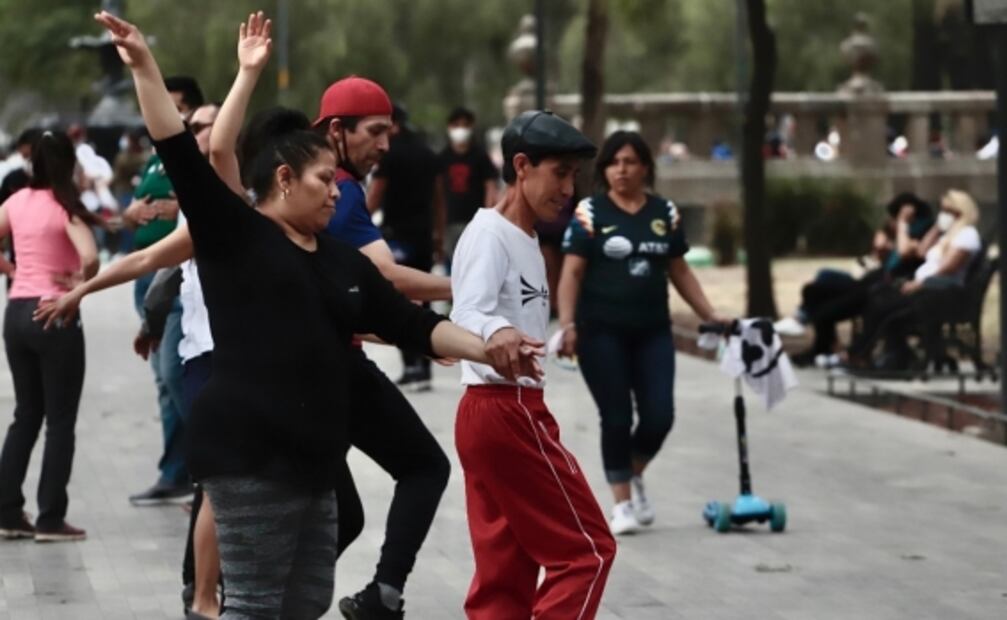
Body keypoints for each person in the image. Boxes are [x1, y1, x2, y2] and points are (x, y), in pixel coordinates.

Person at [91, 11, 541, 618]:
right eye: (325, 179)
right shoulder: (236, 236)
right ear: (284, 179)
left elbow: (414, 324)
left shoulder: (341, 262)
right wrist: (148, 65)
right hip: (250, 458)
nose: (338, 191)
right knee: (252, 605)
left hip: (314, 464)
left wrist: (490, 348)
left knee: (306, 603)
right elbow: (180, 146)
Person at [451, 110, 617, 619]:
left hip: (497, 412)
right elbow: (468, 309)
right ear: (521, 166)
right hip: (505, 411)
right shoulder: (489, 233)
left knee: (506, 575)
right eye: (559, 173)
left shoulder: (526, 240)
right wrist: (496, 331)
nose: (569, 188)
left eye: (574, 176)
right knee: (587, 551)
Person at [557, 130, 725, 536]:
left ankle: (630, 472)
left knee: (659, 416)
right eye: (614, 163)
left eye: (630, 162)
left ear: (646, 167)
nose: (622, 170)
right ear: (604, 170)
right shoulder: (589, 212)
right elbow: (572, 274)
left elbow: (680, 271)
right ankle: (623, 505)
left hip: (652, 331)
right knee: (615, 417)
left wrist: (711, 315)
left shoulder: (664, 213)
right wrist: (567, 325)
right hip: (600, 333)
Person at [0, 130, 99, 542]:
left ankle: (6, 510)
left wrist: (13, 273)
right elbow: (92, 257)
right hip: (55, 314)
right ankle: (50, 517)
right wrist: (79, 281)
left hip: (17, 311)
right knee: (60, 420)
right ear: (68, 163)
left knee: (26, 414)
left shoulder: (16, 200)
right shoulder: (66, 206)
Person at [122, 77, 207, 506]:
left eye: (172, 106)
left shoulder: (192, 156)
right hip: (149, 277)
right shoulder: (155, 160)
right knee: (164, 380)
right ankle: (176, 470)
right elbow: (129, 213)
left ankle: (201, 467)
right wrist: (134, 211)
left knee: (176, 374)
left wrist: (175, 208)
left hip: (174, 275)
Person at [778, 192, 934, 368]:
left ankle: (817, 340)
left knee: (824, 310)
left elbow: (906, 252)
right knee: (814, 288)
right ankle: (802, 320)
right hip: (871, 278)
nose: (894, 220)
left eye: (896, 216)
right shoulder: (898, 230)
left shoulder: (921, 231)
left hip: (880, 287)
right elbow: (883, 253)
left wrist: (902, 223)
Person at [847, 189, 982, 370]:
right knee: (877, 295)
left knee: (882, 304)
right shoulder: (948, 235)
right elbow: (921, 251)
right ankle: (891, 354)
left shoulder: (967, 235)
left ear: (960, 212)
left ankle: (860, 353)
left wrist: (921, 283)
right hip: (926, 289)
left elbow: (949, 268)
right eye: (942, 211)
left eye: (948, 212)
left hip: (936, 293)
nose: (944, 215)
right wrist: (937, 228)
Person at [366, 103, 445, 391]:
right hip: (423, 233)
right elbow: (439, 198)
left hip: (396, 236)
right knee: (423, 296)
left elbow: (375, 195)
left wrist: (356, 221)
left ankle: (412, 363)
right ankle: (426, 363)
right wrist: (438, 234)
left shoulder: (388, 154)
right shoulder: (427, 153)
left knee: (399, 298)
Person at [440, 107, 498, 272]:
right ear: (449, 127)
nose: (461, 129)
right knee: (452, 269)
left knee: (475, 267)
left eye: (465, 125)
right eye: (457, 124)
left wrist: (487, 218)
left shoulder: (480, 156)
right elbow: (437, 193)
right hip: (450, 222)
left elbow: (490, 187)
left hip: (474, 222)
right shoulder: (443, 157)